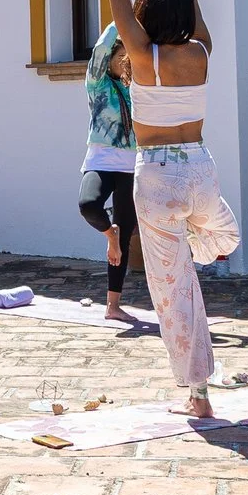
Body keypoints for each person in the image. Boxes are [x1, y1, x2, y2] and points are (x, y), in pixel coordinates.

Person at [107, 0, 235, 415]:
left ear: (147, 15)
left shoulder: (142, 55)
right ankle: (208, 245)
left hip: (157, 178)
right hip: (201, 171)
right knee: (219, 235)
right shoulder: (201, 50)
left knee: (172, 289)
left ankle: (198, 396)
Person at [78, 20, 144, 321]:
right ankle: (110, 235)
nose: (126, 63)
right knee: (89, 205)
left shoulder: (138, 90)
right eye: (122, 58)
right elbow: (102, 48)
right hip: (101, 161)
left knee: (127, 228)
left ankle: (113, 306)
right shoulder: (98, 84)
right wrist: (123, 18)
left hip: (133, 166)